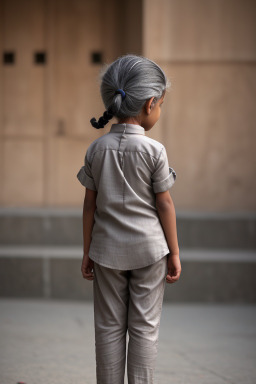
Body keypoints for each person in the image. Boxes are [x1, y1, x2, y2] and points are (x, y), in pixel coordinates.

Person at [77, 54, 181, 384]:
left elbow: (89, 206)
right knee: (144, 328)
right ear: (150, 103)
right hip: (150, 250)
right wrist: (175, 252)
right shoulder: (155, 152)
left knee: (107, 327)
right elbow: (164, 204)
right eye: (161, 103)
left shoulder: (96, 149)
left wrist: (86, 250)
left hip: (106, 250)